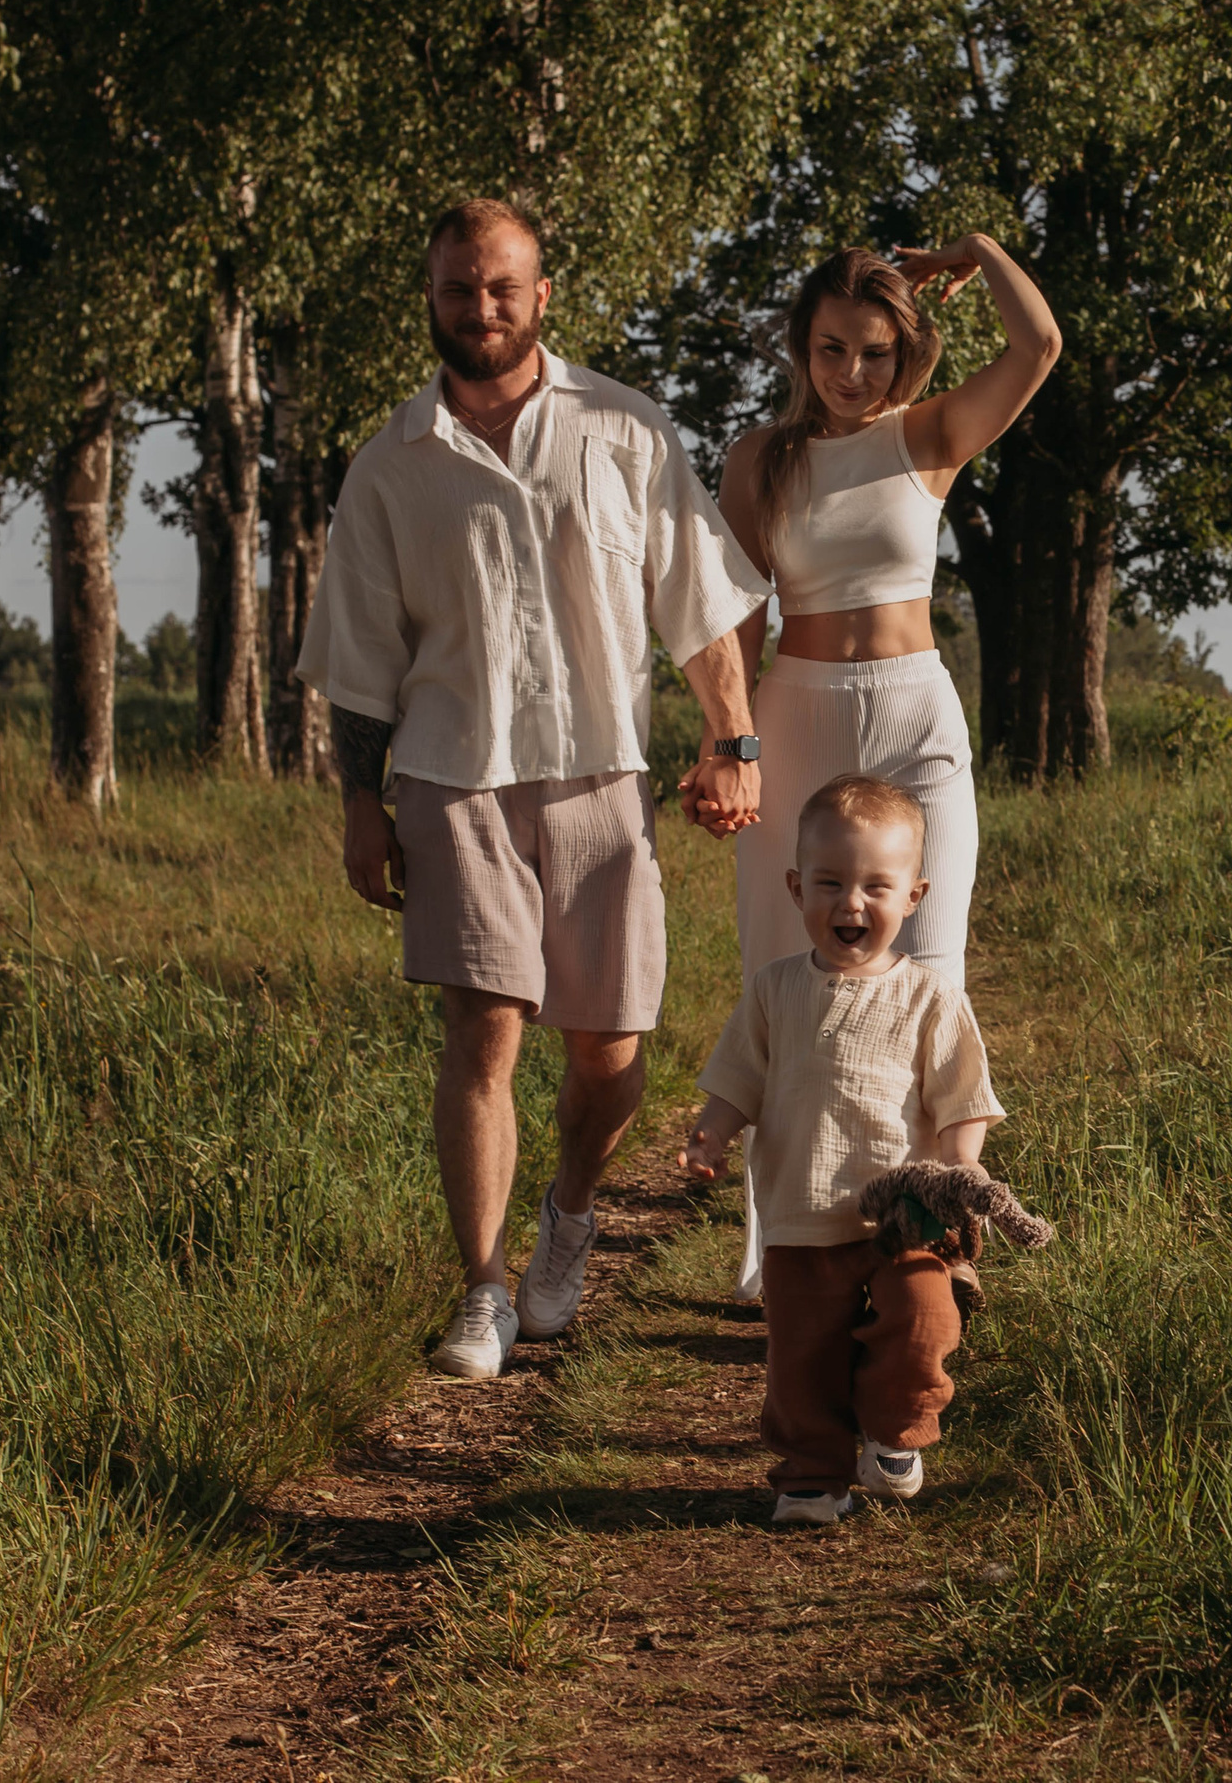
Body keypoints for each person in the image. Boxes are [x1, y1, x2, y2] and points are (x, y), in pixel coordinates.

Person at [298, 197, 770, 1382]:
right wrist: (361, 802)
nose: (481, 306)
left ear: (542, 293)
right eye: (459, 288)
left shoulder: (623, 428)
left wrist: (734, 741)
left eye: (502, 285)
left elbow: (701, 605)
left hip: (601, 774)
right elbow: (358, 657)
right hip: (451, 775)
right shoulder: (390, 466)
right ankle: (483, 1285)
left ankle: (569, 1212)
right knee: (483, 1031)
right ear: (431, 298)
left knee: (609, 1050)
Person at [715, 238, 1060, 1298]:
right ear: (800, 345)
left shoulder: (929, 433)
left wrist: (976, 250)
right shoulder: (758, 456)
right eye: (830, 348)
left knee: (930, 973)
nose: (850, 372)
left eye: (872, 351)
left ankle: (928, 1239)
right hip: (797, 713)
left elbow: (1038, 342)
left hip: (916, 717)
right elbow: (731, 616)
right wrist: (727, 745)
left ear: (901, 353)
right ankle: (783, 1240)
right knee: (786, 971)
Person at [681, 773, 1004, 1524]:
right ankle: (812, 1472)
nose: (851, 903)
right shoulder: (774, 989)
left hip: (908, 1216)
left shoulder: (932, 998)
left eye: (875, 886)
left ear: (914, 897)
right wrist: (712, 1132)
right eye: (829, 882)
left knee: (925, 1321)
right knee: (803, 1356)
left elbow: (962, 1097)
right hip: (801, 1211)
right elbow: (738, 1076)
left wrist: (964, 1166)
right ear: (796, 888)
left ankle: (893, 1431)